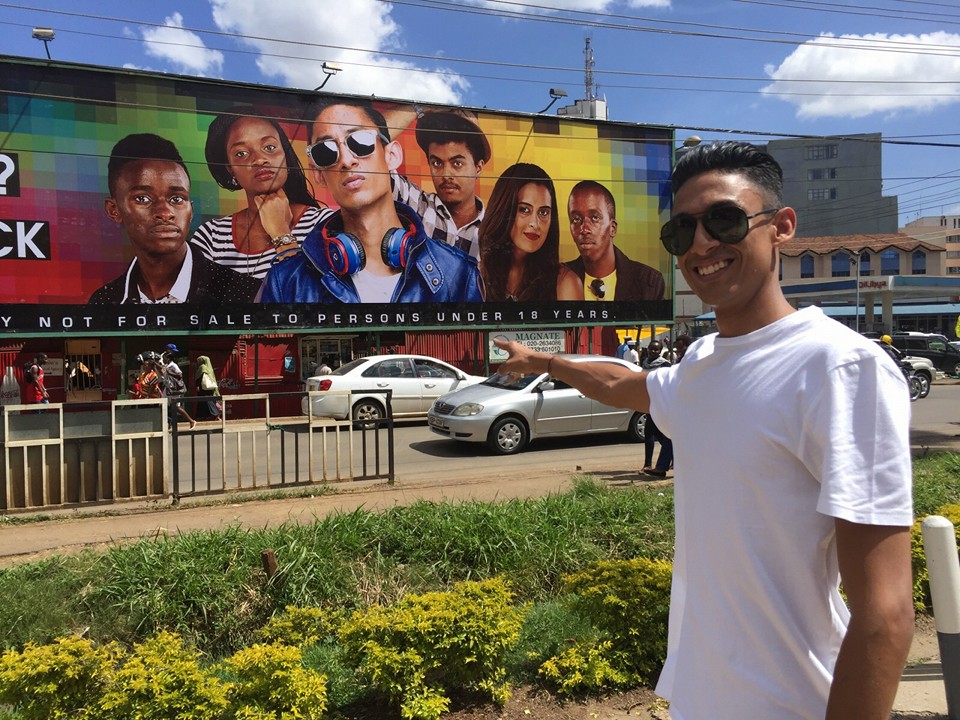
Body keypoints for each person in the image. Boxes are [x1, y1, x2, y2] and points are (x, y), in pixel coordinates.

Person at [492, 140, 914, 720]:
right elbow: (621, 385)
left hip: (793, 704)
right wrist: (544, 363)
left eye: (724, 219)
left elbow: (886, 615)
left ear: (782, 227)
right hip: (700, 697)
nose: (701, 244)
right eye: (682, 230)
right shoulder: (701, 363)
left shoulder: (840, 367)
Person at [260, 98, 483, 304]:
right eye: (326, 151)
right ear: (317, 174)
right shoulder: (285, 283)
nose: (346, 160)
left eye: (360, 141)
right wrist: (419, 106)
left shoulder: (461, 274)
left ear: (391, 156)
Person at [88, 133, 262, 305]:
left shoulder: (245, 294)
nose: (165, 213)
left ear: (190, 210)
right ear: (114, 210)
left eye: (177, 199)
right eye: (143, 198)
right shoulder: (104, 302)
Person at [191, 108, 331, 279]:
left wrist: (281, 233)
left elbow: (310, 293)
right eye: (241, 153)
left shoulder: (325, 224)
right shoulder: (211, 237)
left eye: (270, 147)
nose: (259, 159)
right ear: (230, 169)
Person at [389, 108, 491, 259]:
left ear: (478, 168)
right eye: (437, 163)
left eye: (457, 164)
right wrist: (416, 108)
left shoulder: (494, 232)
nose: (446, 175)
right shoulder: (414, 204)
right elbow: (363, 146)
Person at [478, 163, 583, 302]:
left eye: (543, 212)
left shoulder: (565, 283)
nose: (535, 223)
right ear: (504, 210)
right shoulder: (475, 276)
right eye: (524, 210)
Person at [564, 180, 665, 301]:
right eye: (576, 219)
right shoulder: (557, 280)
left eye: (595, 218)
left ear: (613, 228)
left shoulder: (650, 284)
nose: (584, 229)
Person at [640, 339, 671, 478]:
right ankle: (650, 463)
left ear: (660, 351)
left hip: (660, 402)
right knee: (653, 433)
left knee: (654, 432)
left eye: (656, 349)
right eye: (651, 348)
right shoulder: (645, 363)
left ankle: (651, 464)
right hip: (649, 400)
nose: (653, 351)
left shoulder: (665, 365)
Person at [161, 343, 196, 429]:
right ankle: (169, 423)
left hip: (173, 389)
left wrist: (170, 372)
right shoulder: (166, 364)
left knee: (176, 407)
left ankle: (191, 421)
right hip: (167, 388)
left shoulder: (173, 365)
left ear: (168, 358)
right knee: (164, 405)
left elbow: (180, 375)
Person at [194, 355, 221, 420]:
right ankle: (201, 416)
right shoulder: (209, 368)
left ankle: (215, 415)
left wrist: (197, 385)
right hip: (208, 387)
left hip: (203, 388)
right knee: (203, 402)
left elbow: (199, 377)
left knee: (208, 401)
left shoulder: (202, 367)